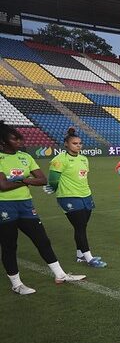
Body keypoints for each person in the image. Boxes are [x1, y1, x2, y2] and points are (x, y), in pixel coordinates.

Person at [0, 121, 86, 295]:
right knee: (9, 246)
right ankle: (17, 284)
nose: (19, 141)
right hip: (4, 206)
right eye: (15, 139)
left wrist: (21, 180)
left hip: (26, 205)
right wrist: (26, 180)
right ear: (3, 141)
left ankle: (60, 274)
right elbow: (3, 186)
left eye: (19, 139)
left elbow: (43, 180)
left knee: (42, 240)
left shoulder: (26, 157)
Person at [43, 128, 106, 268]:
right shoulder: (59, 159)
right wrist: (53, 188)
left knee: (82, 226)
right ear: (66, 144)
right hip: (69, 197)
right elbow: (53, 179)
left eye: (80, 143)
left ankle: (80, 255)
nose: (78, 145)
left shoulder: (84, 159)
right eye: (74, 143)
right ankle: (89, 258)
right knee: (80, 227)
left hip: (86, 195)